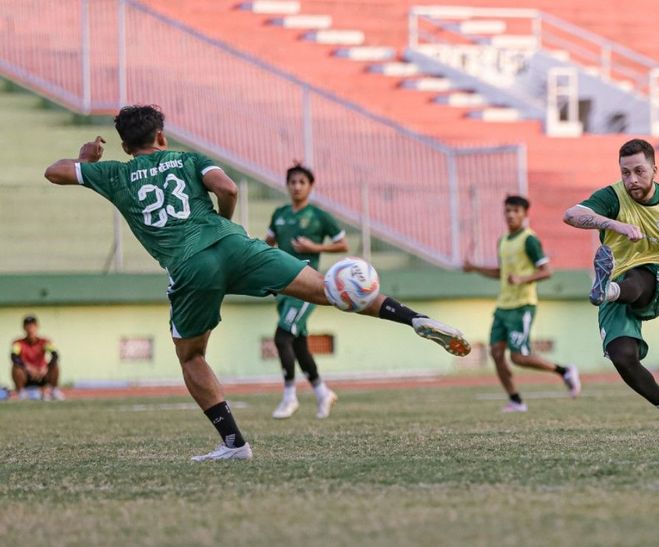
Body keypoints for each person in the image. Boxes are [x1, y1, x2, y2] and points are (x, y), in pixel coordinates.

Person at [44, 105, 471, 461]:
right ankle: (416, 320)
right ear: (161, 136)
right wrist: (223, 226)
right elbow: (227, 187)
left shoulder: (115, 174)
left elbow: (54, 171)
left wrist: (86, 161)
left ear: (125, 146)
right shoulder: (187, 158)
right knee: (328, 289)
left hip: (190, 267)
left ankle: (234, 443)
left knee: (192, 356)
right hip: (234, 245)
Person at [563, 139, 659, 444]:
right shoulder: (613, 197)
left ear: (655, 169)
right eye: (625, 172)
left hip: (656, 282)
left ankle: (607, 289)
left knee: (639, 276)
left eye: (638, 171)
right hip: (616, 282)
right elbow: (570, 215)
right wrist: (615, 225)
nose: (631, 180)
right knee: (623, 357)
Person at [463, 195, 581, 412]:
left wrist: (522, 279)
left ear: (525, 214)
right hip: (503, 306)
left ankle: (564, 371)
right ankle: (516, 400)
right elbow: (502, 273)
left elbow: (547, 271)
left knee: (518, 357)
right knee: (497, 354)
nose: (510, 215)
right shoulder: (503, 241)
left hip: (522, 306)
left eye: (515, 211)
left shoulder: (529, 240)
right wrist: (475, 268)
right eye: (507, 210)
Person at [265, 164, 346, 420]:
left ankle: (289, 397)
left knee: (281, 337)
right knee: (298, 344)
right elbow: (268, 244)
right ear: (287, 185)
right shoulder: (279, 214)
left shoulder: (319, 216)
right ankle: (322, 392)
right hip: (284, 285)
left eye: (302, 182)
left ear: (310, 186)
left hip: (307, 286)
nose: (297, 186)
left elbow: (342, 244)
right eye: (293, 182)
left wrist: (314, 246)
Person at [10, 315, 64, 401]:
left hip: (42, 374)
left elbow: (55, 355)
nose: (30, 328)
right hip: (27, 375)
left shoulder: (45, 342)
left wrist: (46, 367)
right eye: (28, 325)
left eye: (32, 325)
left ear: (37, 327)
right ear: (24, 327)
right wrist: (27, 367)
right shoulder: (18, 343)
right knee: (15, 367)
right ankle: (21, 393)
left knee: (55, 365)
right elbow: (14, 357)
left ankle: (54, 390)